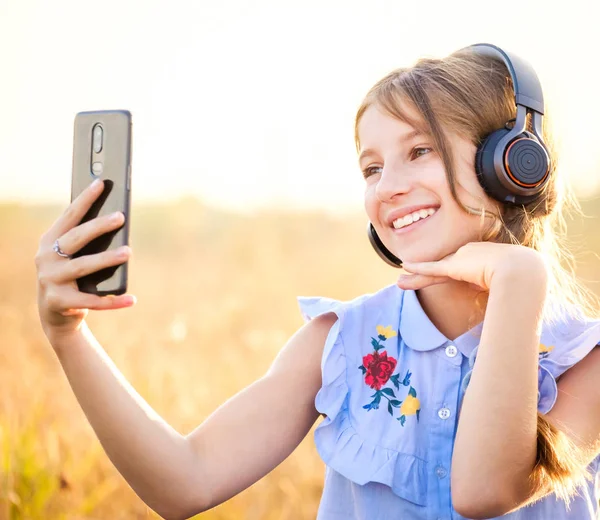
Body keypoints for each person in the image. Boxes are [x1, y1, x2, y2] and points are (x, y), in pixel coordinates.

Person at [35, 43, 600, 520]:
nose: (388, 187)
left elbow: (484, 491)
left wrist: (518, 286)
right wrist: (68, 336)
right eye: (372, 168)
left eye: (420, 151)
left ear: (512, 165)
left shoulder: (584, 362)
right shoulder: (341, 341)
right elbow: (184, 481)